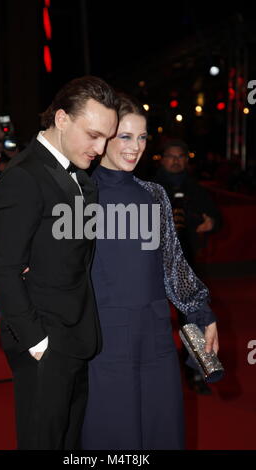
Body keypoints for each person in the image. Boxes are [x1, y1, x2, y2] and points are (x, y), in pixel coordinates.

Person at [0, 76, 118, 450]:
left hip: (75, 333)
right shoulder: (25, 177)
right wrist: (38, 343)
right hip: (46, 341)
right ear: (61, 119)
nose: (100, 147)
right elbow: (2, 269)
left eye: (106, 137)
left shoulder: (75, 173)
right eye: (93, 134)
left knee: (69, 442)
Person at [81, 94, 219, 450]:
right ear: (105, 137)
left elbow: (173, 264)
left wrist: (201, 313)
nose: (135, 147)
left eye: (142, 137)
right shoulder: (80, 193)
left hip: (155, 337)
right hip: (102, 340)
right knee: (111, 438)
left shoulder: (154, 195)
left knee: (162, 431)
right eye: (125, 136)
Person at [154, 139, 222, 394]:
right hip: (152, 265)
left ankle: (196, 370)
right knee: (154, 319)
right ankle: (159, 374)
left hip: (187, 265)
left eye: (180, 156)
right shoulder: (148, 187)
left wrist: (210, 223)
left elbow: (215, 218)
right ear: (162, 158)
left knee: (192, 319)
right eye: (171, 156)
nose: (175, 161)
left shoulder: (196, 190)